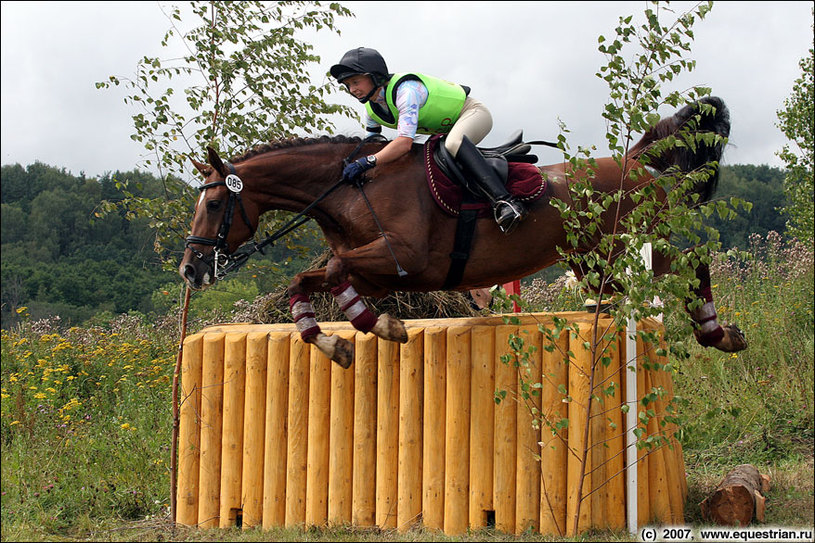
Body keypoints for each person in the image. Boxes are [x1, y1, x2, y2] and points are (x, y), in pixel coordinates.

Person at [330, 47, 525, 234]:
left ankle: (506, 202)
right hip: (445, 130)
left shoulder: (405, 92)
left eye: (356, 82)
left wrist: (367, 162)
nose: (352, 89)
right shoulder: (372, 110)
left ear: (374, 75)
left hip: (472, 113)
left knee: (453, 144)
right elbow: (373, 144)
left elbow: (404, 143)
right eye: (348, 85)